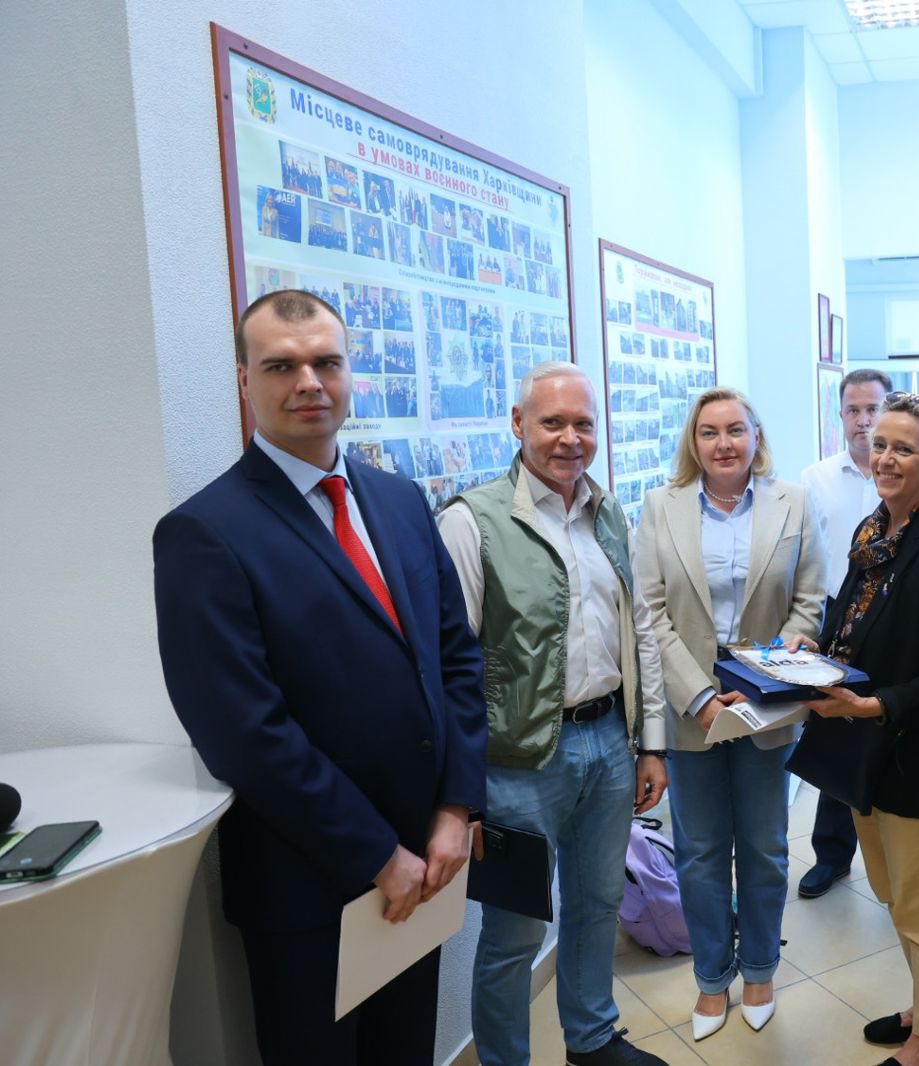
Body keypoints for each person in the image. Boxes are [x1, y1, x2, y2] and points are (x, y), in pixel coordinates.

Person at [153, 289, 486, 1065]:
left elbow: (457, 658)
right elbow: (244, 733)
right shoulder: (205, 533)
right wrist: (378, 856)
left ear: (349, 373)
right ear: (245, 380)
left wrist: (454, 807)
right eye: (280, 366)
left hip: (427, 860)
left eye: (326, 363)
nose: (308, 383)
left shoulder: (400, 500)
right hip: (310, 886)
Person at [437, 362, 670, 1066]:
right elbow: (450, 667)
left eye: (583, 424)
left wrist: (651, 743)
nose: (570, 439)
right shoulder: (471, 521)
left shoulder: (608, 512)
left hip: (608, 744)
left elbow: (640, 632)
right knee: (513, 935)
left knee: (597, 905)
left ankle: (592, 1039)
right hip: (517, 766)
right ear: (518, 424)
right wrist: (459, 793)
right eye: (552, 422)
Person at [634, 388, 826, 1040]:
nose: (724, 444)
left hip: (764, 703)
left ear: (755, 436)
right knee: (700, 852)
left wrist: (765, 680)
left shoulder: (791, 502)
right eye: (709, 432)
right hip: (691, 705)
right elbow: (650, 614)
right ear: (693, 441)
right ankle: (712, 977)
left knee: (766, 848)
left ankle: (761, 968)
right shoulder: (660, 507)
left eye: (736, 430)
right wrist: (698, 694)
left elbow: (809, 603)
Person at [789, 393, 919, 1066]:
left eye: (905, 448)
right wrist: (813, 647)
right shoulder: (876, 528)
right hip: (866, 749)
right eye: (881, 445)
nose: (886, 458)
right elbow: (855, 620)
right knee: (895, 894)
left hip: (915, 755)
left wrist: (873, 707)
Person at [795, 366, 890, 899]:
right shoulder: (816, 479)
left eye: (873, 408)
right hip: (837, 615)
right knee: (835, 732)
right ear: (841, 416)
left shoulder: (906, 468)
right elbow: (806, 559)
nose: (863, 420)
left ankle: (894, 858)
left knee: (887, 727)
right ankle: (832, 855)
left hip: (895, 613)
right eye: (853, 410)